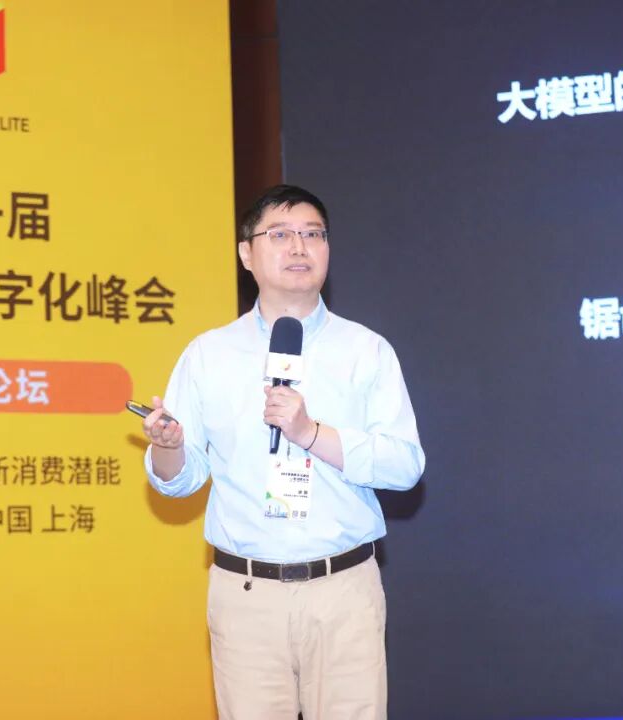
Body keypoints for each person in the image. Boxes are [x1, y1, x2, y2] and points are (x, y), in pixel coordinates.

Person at [140, 184, 425, 720]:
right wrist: (168, 448)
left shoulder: (366, 350)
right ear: (246, 253)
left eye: (313, 234)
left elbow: (405, 466)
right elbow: (180, 479)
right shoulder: (209, 354)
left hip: (344, 591)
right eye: (280, 235)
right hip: (245, 595)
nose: (299, 246)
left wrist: (310, 433)